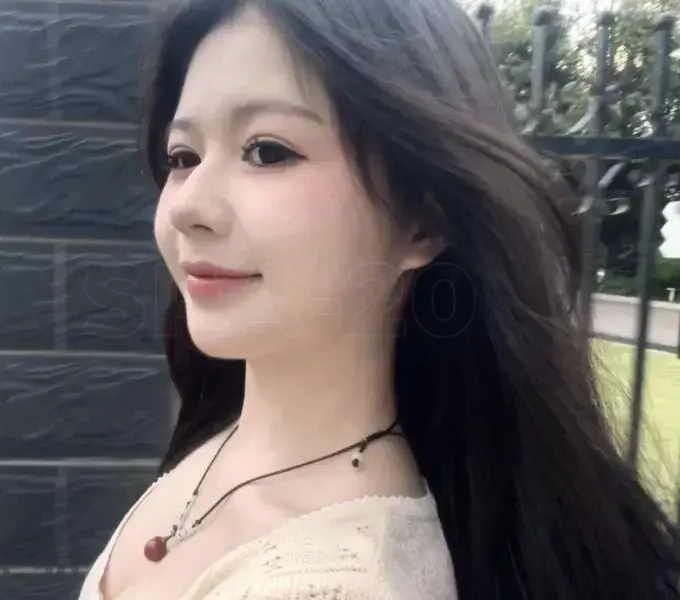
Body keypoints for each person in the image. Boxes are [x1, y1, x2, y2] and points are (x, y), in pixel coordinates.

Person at [78, 0, 680, 598]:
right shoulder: (224, 443)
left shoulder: (335, 583)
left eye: (268, 151)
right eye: (183, 157)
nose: (187, 206)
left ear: (422, 221)